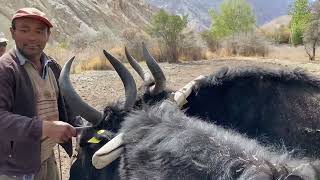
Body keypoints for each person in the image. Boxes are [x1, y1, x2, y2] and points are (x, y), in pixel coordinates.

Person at [0, 7, 76, 180]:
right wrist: (44, 128)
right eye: (24, 30)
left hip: (47, 159)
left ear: (48, 35)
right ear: (12, 33)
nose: (32, 37)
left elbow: (66, 108)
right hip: (16, 169)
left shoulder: (51, 66)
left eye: (39, 31)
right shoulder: (5, 69)